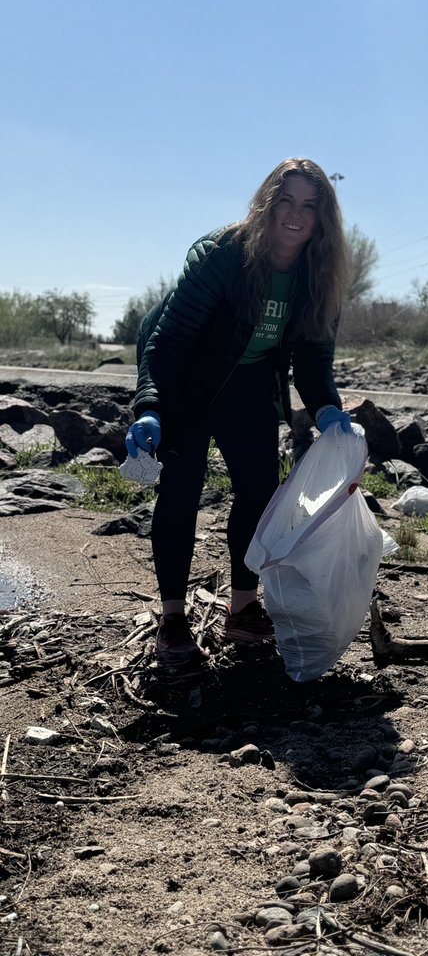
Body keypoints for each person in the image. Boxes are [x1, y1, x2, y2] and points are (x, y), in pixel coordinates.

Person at [125, 158, 353, 669]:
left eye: (310, 205)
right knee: (181, 489)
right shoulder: (222, 255)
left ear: (323, 218)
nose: (295, 215)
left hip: (248, 379)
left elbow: (313, 362)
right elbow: (170, 339)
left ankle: (243, 606)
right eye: (285, 201)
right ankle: (173, 616)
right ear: (267, 205)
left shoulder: (321, 274)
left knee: (259, 491)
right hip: (186, 372)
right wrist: (150, 406)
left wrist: (328, 411)